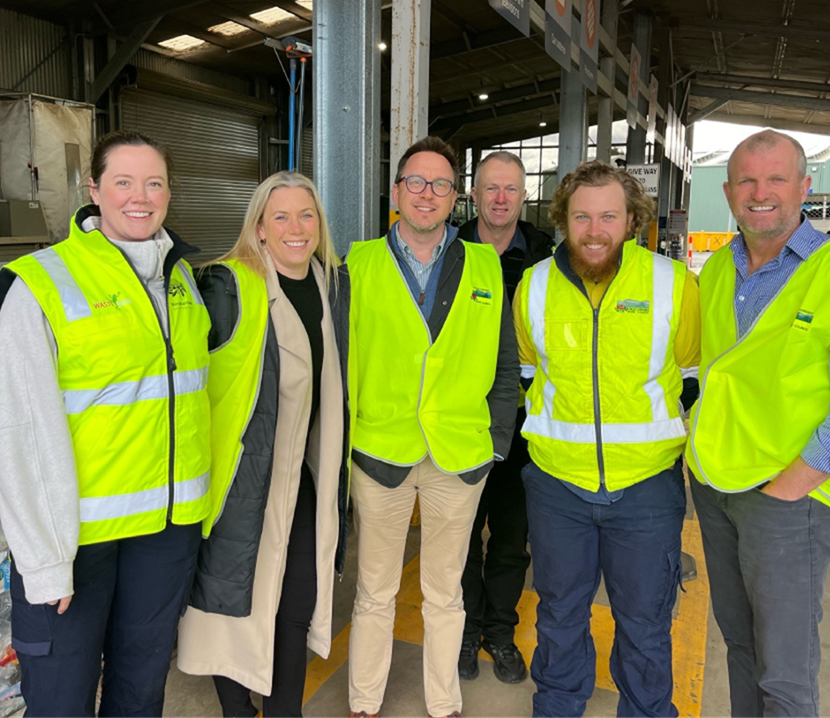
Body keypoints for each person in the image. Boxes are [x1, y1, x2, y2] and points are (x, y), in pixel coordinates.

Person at [0, 130, 213, 718]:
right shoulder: (43, 283)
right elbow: (20, 434)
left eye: (155, 182)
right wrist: (43, 560)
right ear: (94, 189)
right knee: (62, 696)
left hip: (165, 534)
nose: (140, 196)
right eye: (123, 181)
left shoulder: (182, 280)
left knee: (141, 691)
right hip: (76, 539)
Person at [688, 129, 830, 717]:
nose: (761, 193)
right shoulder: (715, 274)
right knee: (740, 648)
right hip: (718, 487)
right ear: (729, 192)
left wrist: (786, 492)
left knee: (784, 675)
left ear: (804, 187)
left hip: (793, 496)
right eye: (748, 181)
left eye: (776, 178)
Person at [515, 161, 700, 718]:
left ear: (631, 220)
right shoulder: (535, 285)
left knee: (646, 622)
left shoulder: (674, 284)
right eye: (582, 217)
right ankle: (557, 706)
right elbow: (527, 374)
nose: (594, 231)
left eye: (608, 217)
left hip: (646, 489)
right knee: (559, 613)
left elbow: (692, 376)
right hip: (556, 485)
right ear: (563, 220)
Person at [346, 136, 519, 718]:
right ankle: (364, 700)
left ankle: (442, 702)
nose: (427, 194)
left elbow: (503, 363)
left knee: (445, 594)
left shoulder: (485, 266)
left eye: (440, 184)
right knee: (376, 591)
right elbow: (342, 359)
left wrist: (495, 444)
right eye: (415, 183)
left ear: (455, 198)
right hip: (380, 450)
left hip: (459, 455)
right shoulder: (358, 264)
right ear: (396, 192)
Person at [177, 171, 350, 718]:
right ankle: (236, 709)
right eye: (281, 216)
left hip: (303, 476)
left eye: (307, 216)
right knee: (232, 604)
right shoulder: (228, 286)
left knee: (295, 601)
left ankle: (282, 712)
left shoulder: (329, 284)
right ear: (259, 226)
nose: (296, 228)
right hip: (240, 481)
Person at [456, 152, 553, 685]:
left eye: (510, 189)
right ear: (473, 193)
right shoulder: (449, 250)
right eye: (490, 188)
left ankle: (500, 630)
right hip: (464, 419)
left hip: (522, 423)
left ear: (523, 196)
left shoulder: (546, 256)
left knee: (513, 538)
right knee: (463, 535)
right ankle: (467, 630)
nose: (500, 199)